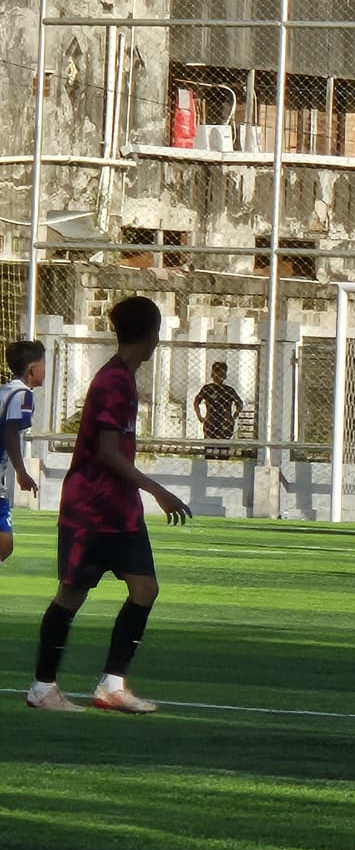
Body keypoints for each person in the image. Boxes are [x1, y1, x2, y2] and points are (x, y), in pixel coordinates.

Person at [26, 296, 193, 714]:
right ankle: (43, 688)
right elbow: (106, 452)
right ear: (153, 334)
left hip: (121, 508)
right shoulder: (112, 382)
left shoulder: (125, 378)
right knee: (71, 595)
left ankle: (111, 686)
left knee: (145, 589)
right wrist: (158, 490)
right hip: (92, 507)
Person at [1, 340, 46, 564]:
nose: (45, 371)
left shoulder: (6, 390)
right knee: (4, 543)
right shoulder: (23, 395)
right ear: (32, 369)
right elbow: (10, 430)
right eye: (43, 365)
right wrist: (21, 471)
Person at [193, 361, 243, 459]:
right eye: (217, 372)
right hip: (211, 423)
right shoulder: (207, 388)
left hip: (224, 424)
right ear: (212, 374)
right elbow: (196, 402)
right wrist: (200, 417)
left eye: (221, 373)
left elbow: (239, 404)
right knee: (209, 452)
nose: (219, 375)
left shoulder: (228, 390)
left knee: (223, 452)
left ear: (225, 376)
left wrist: (233, 417)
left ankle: (222, 468)